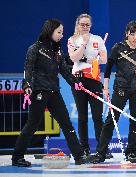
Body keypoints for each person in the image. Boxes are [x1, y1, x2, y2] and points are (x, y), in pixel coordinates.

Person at [12, 19, 93, 167]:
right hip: (38, 91)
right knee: (32, 125)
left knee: (67, 124)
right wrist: (27, 85)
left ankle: (79, 156)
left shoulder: (57, 52)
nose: (62, 35)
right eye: (59, 32)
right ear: (50, 31)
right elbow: (28, 68)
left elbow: (65, 71)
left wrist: (76, 83)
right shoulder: (35, 48)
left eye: (62, 32)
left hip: (54, 92)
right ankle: (17, 157)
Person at [92, 20, 136, 163]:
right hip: (120, 88)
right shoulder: (118, 48)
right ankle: (101, 153)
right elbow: (108, 69)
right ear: (127, 34)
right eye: (132, 34)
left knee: (135, 121)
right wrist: (105, 87)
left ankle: (131, 153)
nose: (135, 38)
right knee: (111, 120)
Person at [67, 14, 112, 158]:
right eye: (82, 24)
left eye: (87, 24)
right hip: (79, 79)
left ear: (90, 25)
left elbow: (104, 59)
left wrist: (94, 60)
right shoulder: (72, 40)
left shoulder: (98, 39)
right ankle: (84, 148)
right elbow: (73, 58)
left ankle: (102, 148)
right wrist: (84, 44)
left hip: (94, 80)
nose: (85, 27)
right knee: (82, 116)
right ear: (78, 25)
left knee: (98, 116)